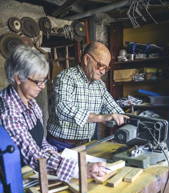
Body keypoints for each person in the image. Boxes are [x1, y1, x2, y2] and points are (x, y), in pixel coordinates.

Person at [0, 45, 107, 183]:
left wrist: (56, 155)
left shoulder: (30, 102)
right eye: (38, 81)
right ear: (18, 78)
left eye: (44, 81)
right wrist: (80, 169)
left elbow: (40, 143)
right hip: (11, 182)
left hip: (29, 173)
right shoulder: (7, 110)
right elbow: (33, 155)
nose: (43, 86)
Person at [47, 41, 129, 151]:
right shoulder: (66, 77)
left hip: (86, 144)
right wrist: (100, 118)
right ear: (86, 59)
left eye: (106, 68)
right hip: (60, 144)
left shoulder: (99, 85)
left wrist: (126, 118)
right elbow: (62, 109)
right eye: (100, 66)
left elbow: (112, 108)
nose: (103, 72)